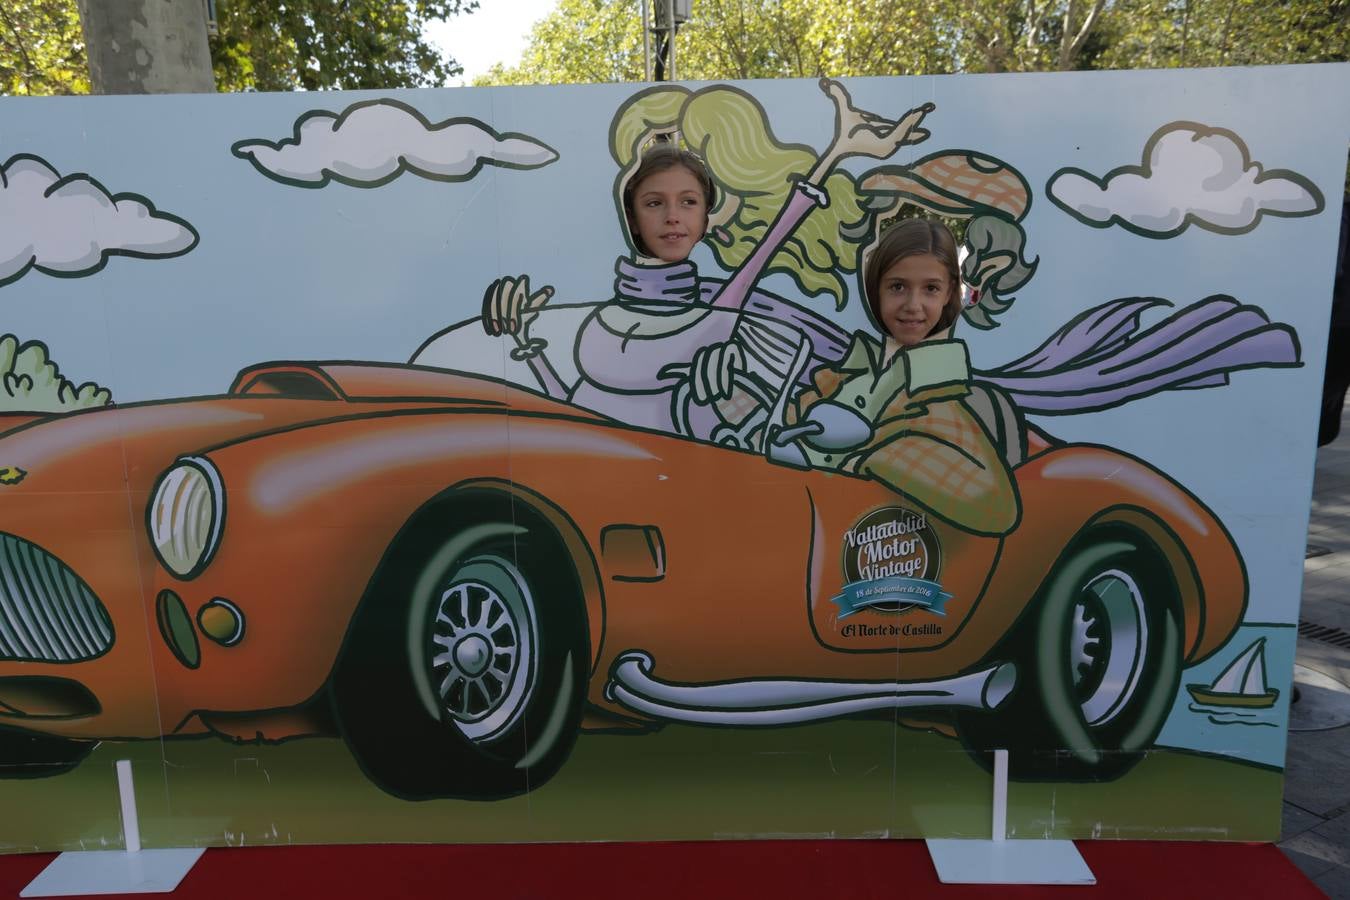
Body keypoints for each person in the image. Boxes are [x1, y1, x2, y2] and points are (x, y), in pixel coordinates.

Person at [480, 81, 934, 441]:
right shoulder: (600, 318)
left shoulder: (722, 307)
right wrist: (524, 342)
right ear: (632, 218)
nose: (673, 217)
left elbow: (779, 233)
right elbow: (576, 407)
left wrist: (837, 152)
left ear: (706, 218)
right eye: (655, 203)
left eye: (689, 202)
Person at [779, 219, 1019, 537]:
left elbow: (997, 508)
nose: (912, 305)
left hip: (870, 550)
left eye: (930, 289)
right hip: (790, 530)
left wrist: (870, 456)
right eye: (897, 287)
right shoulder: (845, 375)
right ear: (875, 289)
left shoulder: (936, 397)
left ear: (949, 293)